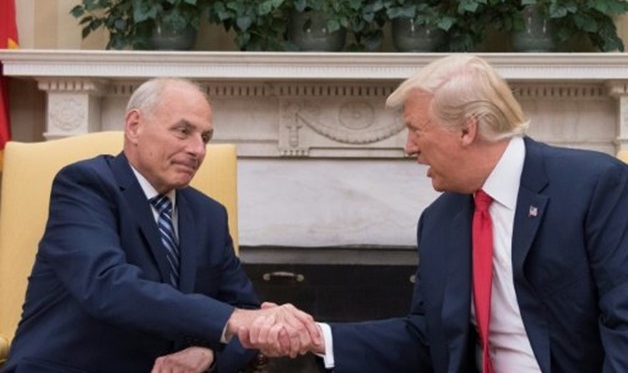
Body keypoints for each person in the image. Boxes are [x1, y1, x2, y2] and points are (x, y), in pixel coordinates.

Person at [239, 54, 628, 372]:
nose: (409, 148)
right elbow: (427, 337)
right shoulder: (440, 220)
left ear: (466, 130)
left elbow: (623, 322)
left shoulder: (594, 186)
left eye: (415, 129)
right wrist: (318, 337)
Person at [2, 78, 320, 373]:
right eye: (183, 131)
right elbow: (108, 286)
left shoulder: (209, 215)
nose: (198, 150)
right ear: (135, 126)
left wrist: (208, 353)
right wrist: (232, 320)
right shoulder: (86, 186)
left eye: (205, 137)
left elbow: (247, 311)